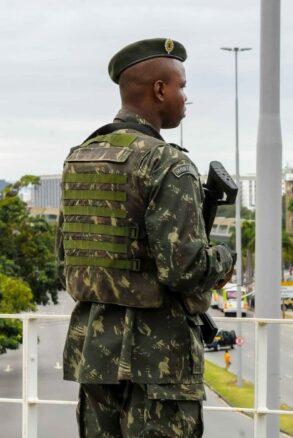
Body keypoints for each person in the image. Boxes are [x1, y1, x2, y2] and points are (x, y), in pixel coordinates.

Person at [57, 38, 235, 437]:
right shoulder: (167, 163)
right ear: (160, 89)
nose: (185, 97)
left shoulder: (79, 157)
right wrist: (224, 257)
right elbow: (184, 270)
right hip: (159, 363)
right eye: (181, 87)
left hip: (95, 353)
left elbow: (64, 262)